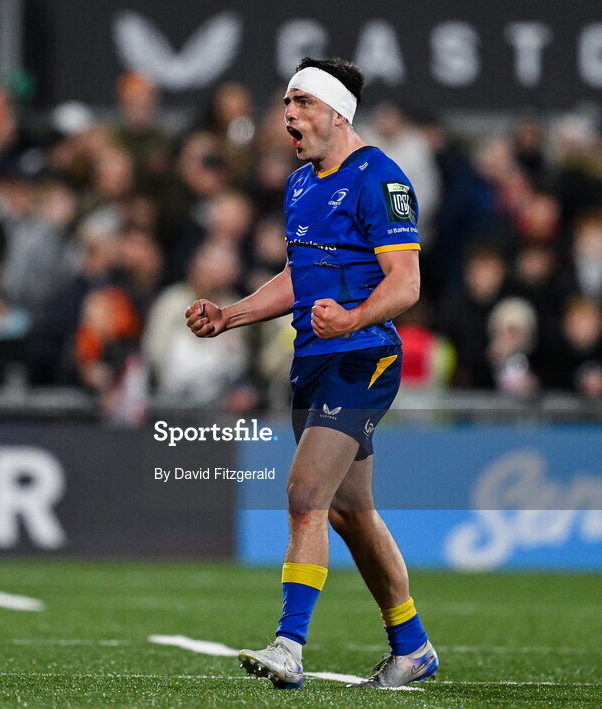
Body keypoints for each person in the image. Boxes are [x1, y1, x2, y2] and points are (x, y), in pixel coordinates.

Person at [185, 57, 436, 690]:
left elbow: (405, 283)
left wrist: (351, 318)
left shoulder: (380, 177)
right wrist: (231, 315)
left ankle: (289, 645)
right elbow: (300, 277)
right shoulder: (300, 184)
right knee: (351, 514)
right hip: (314, 360)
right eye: (287, 104)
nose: (289, 115)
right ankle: (412, 646)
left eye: (302, 103)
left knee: (304, 496)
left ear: (337, 113)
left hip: (363, 357)